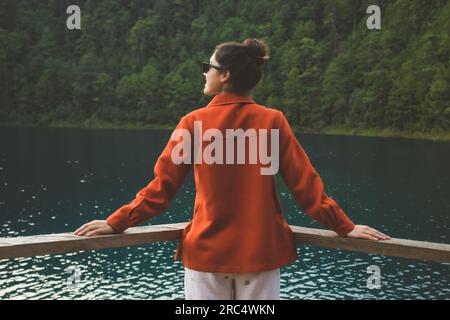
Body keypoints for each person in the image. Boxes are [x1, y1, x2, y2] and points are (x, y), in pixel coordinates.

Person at [74, 38, 390, 300]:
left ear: (224, 75)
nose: (204, 74)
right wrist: (345, 227)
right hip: (261, 254)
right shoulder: (272, 122)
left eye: (207, 68)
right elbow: (305, 186)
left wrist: (118, 222)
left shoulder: (193, 123)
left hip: (207, 255)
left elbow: (162, 188)